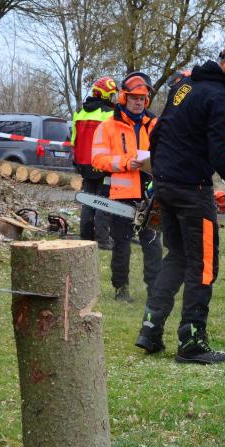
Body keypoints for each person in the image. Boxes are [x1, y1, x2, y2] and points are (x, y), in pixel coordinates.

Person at [134, 35, 225, 364]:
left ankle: (150, 328)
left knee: (177, 257)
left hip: (168, 185)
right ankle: (191, 340)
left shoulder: (183, 84)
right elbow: (218, 155)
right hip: (192, 191)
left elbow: (158, 131)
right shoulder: (218, 97)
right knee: (203, 267)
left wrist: (155, 179)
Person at [91, 72, 162, 303]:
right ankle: (120, 288)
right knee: (121, 245)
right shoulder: (108, 126)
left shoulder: (154, 125)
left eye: (142, 98)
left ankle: (155, 290)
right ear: (124, 98)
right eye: (134, 97)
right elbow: (97, 159)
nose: (139, 102)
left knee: (152, 244)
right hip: (121, 196)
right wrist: (124, 163)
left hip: (150, 194)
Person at [72, 76, 117, 250]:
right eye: (112, 95)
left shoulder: (80, 113)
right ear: (106, 95)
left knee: (88, 201)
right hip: (103, 165)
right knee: (103, 202)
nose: (114, 98)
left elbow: (74, 141)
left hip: (84, 164)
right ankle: (103, 240)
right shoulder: (110, 115)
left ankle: (85, 237)